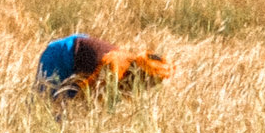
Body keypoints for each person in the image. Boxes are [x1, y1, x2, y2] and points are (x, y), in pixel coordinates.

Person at [35, 32, 168, 106]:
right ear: (142, 74)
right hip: (61, 53)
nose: (152, 86)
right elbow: (86, 93)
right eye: (153, 81)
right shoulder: (114, 67)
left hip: (83, 48)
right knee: (46, 103)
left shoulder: (130, 71)